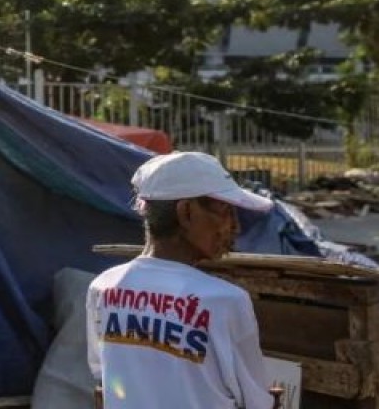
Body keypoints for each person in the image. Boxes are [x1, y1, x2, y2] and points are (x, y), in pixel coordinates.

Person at [86, 152, 277, 409]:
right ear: (186, 212)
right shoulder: (224, 300)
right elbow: (257, 403)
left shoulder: (104, 287)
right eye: (225, 212)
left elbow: (104, 381)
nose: (235, 227)